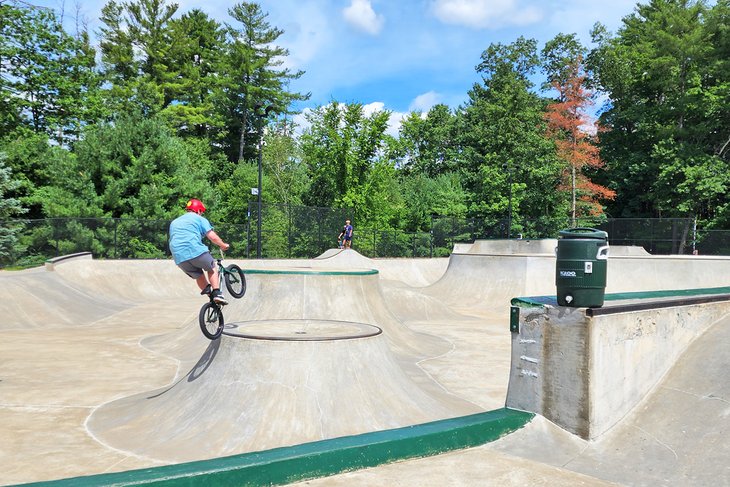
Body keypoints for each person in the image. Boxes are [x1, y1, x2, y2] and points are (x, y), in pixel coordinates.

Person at [169, 198, 230, 304]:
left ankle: (210, 295)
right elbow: (212, 237)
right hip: (194, 250)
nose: (201, 214)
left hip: (178, 257)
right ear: (198, 211)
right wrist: (223, 245)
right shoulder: (199, 219)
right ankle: (216, 293)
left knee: (198, 275)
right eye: (201, 212)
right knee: (211, 267)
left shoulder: (174, 222)